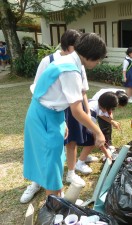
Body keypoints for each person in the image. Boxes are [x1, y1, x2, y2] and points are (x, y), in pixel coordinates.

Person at [23, 33, 107, 201]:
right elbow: (76, 110)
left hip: (51, 113)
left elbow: (55, 96)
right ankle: (55, 205)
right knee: (51, 161)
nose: (98, 63)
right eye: (98, 59)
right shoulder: (70, 69)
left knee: (54, 157)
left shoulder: (68, 61)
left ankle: (57, 197)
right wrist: (98, 132)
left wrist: (61, 121)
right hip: (43, 116)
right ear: (90, 55)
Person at [22, 29, 84, 204]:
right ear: (70, 46)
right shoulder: (48, 61)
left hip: (63, 111)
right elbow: (38, 88)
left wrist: (63, 121)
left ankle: (59, 193)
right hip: (44, 111)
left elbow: (81, 91)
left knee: (55, 155)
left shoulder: (78, 63)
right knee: (41, 152)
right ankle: (36, 184)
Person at [75, 90, 128, 174]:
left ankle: (84, 156)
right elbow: (95, 136)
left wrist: (111, 121)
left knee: (92, 139)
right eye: (110, 110)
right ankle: (79, 163)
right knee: (91, 141)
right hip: (75, 126)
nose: (110, 112)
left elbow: (101, 115)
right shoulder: (91, 113)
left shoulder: (97, 103)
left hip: (80, 123)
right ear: (105, 107)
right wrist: (106, 152)